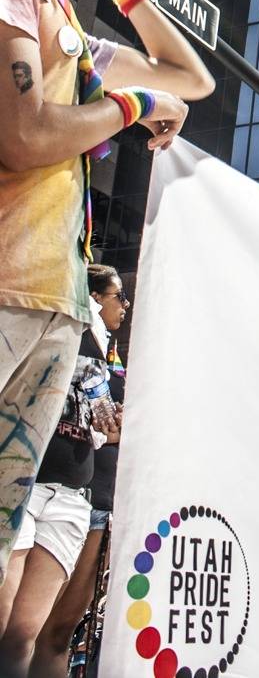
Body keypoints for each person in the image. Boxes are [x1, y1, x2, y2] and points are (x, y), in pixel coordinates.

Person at [0, 0, 214, 582]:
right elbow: (26, 135)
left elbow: (189, 79)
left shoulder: (68, 21)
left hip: (55, 308)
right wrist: (132, 104)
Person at [0, 258, 123, 678]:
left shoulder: (104, 350)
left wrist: (113, 425)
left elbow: (99, 427)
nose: (124, 305)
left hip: (72, 499)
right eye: (118, 296)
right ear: (92, 297)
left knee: (23, 635)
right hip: (23, 483)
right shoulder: (48, 321)